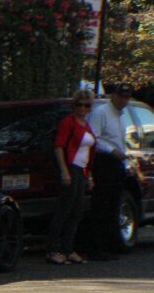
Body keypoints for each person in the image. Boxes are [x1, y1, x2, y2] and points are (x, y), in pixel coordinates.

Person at [84, 82, 133, 261]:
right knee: (101, 205)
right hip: (104, 162)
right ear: (113, 95)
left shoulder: (121, 116)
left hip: (117, 164)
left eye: (127, 97)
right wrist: (112, 151)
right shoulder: (101, 113)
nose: (123, 100)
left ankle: (108, 245)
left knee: (113, 206)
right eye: (121, 96)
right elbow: (93, 139)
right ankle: (95, 247)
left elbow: (118, 139)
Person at [47, 89, 96, 265]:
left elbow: (89, 151)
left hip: (82, 171)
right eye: (79, 104)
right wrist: (64, 170)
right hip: (71, 168)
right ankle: (53, 250)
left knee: (76, 211)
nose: (83, 108)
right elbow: (59, 146)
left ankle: (68, 249)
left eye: (87, 105)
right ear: (74, 105)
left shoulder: (86, 125)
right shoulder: (68, 122)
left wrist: (89, 175)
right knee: (64, 209)